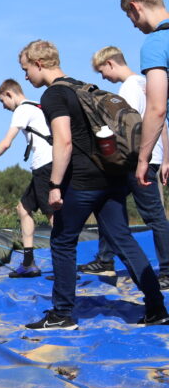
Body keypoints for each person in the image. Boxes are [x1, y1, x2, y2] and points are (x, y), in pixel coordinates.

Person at [17, 40, 167, 329]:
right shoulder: (81, 87)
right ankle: (157, 308)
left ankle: (62, 314)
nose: (26, 76)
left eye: (25, 69)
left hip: (83, 182)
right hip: (112, 177)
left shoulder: (53, 95)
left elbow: (64, 140)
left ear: (38, 64)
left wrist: (55, 184)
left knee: (61, 241)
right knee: (123, 239)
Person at [80, 46, 169, 289]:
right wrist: (166, 159)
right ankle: (105, 259)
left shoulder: (129, 88)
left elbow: (122, 127)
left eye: (102, 71)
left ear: (110, 63)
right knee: (109, 204)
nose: (103, 77)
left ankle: (167, 271)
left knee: (154, 217)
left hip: (136, 160)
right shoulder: (147, 82)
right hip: (150, 157)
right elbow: (162, 120)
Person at [0, 79, 54, 278]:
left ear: (9, 94)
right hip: (46, 164)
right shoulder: (38, 106)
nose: (4, 107)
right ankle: (28, 263)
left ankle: (64, 264)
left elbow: (6, 143)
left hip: (46, 165)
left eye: (2, 101)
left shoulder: (23, 109)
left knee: (53, 214)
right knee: (23, 208)